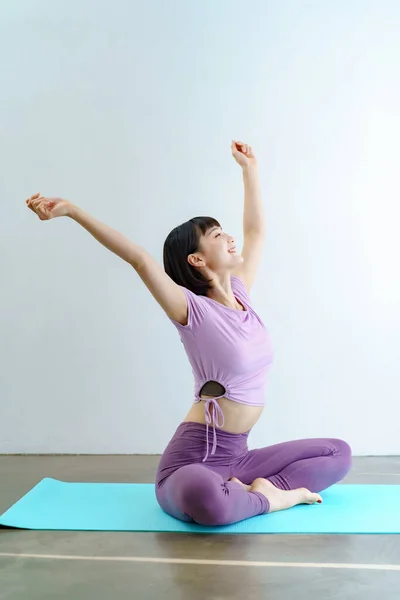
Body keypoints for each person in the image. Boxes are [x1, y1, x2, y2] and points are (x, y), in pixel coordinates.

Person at [25, 140, 352, 527]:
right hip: (192, 461)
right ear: (196, 259)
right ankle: (271, 499)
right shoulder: (191, 309)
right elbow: (139, 259)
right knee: (203, 494)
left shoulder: (242, 295)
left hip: (239, 456)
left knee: (338, 454)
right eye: (217, 236)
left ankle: (254, 491)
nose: (230, 238)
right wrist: (73, 212)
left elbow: (256, 232)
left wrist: (249, 170)